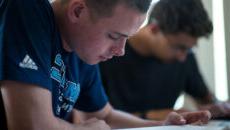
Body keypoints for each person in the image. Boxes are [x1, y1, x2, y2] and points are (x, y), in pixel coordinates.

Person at [0, 0, 212, 129]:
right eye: (113, 36)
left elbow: (105, 115)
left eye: (127, 39)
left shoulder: (82, 49)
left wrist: (162, 127)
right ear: (77, 11)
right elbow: (31, 126)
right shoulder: (27, 8)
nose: (120, 51)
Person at [100, 0, 230, 120]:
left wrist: (218, 107)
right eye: (179, 47)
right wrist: (156, 116)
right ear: (154, 28)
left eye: (189, 50)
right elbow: (96, 117)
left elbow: (205, 98)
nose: (182, 57)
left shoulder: (184, 57)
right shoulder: (108, 53)